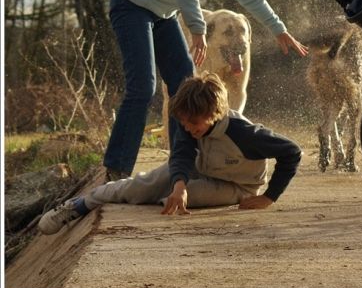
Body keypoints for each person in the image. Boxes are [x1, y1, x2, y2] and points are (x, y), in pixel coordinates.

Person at [104, 0, 308, 183]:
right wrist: (198, 28)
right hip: (132, 2)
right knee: (143, 86)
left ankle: (180, 168)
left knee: (184, 85)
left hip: (162, 12)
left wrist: (278, 28)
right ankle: (117, 169)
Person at [38, 72, 303, 235]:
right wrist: (179, 184)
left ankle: (163, 189)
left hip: (237, 186)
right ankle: (80, 204)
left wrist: (269, 197)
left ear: (214, 114)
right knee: (143, 187)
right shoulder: (190, 123)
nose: (188, 128)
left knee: (171, 202)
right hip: (201, 166)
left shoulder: (245, 133)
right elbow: (181, 155)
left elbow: (292, 152)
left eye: (194, 124)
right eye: (184, 123)